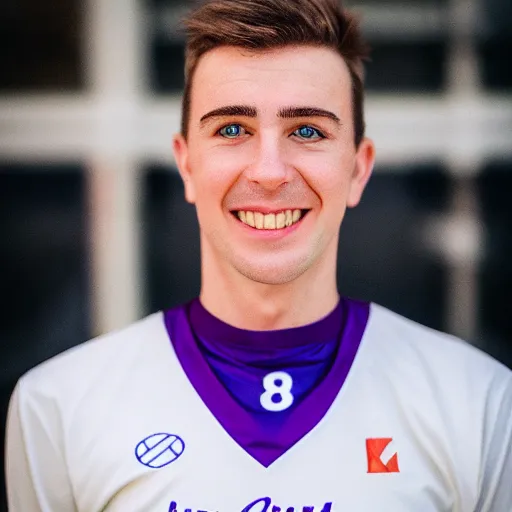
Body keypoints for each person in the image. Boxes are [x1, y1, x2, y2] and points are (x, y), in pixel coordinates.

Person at [5, 0, 512, 510]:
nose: (269, 171)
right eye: (231, 130)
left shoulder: (479, 402)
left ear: (358, 169)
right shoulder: (59, 406)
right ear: (186, 165)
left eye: (308, 131)